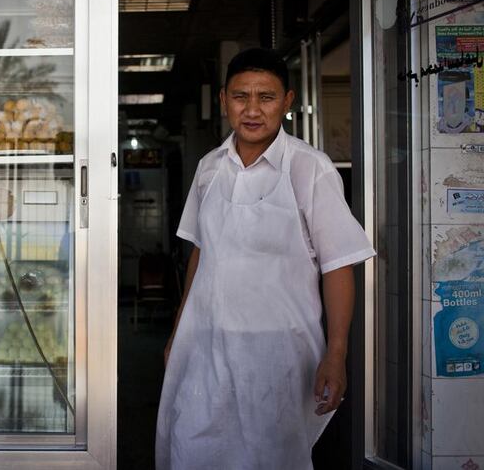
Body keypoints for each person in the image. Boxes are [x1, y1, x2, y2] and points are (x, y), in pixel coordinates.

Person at [155, 48, 375, 470]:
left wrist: (337, 352)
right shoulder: (209, 168)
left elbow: (338, 265)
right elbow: (203, 252)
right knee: (192, 447)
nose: (252, 109)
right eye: (241, 97)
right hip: (207, 345)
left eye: (266, 97)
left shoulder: (311, 169)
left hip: (280, 352)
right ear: (223, 101)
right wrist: (178, 331)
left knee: (271, 456)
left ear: (288, 101)